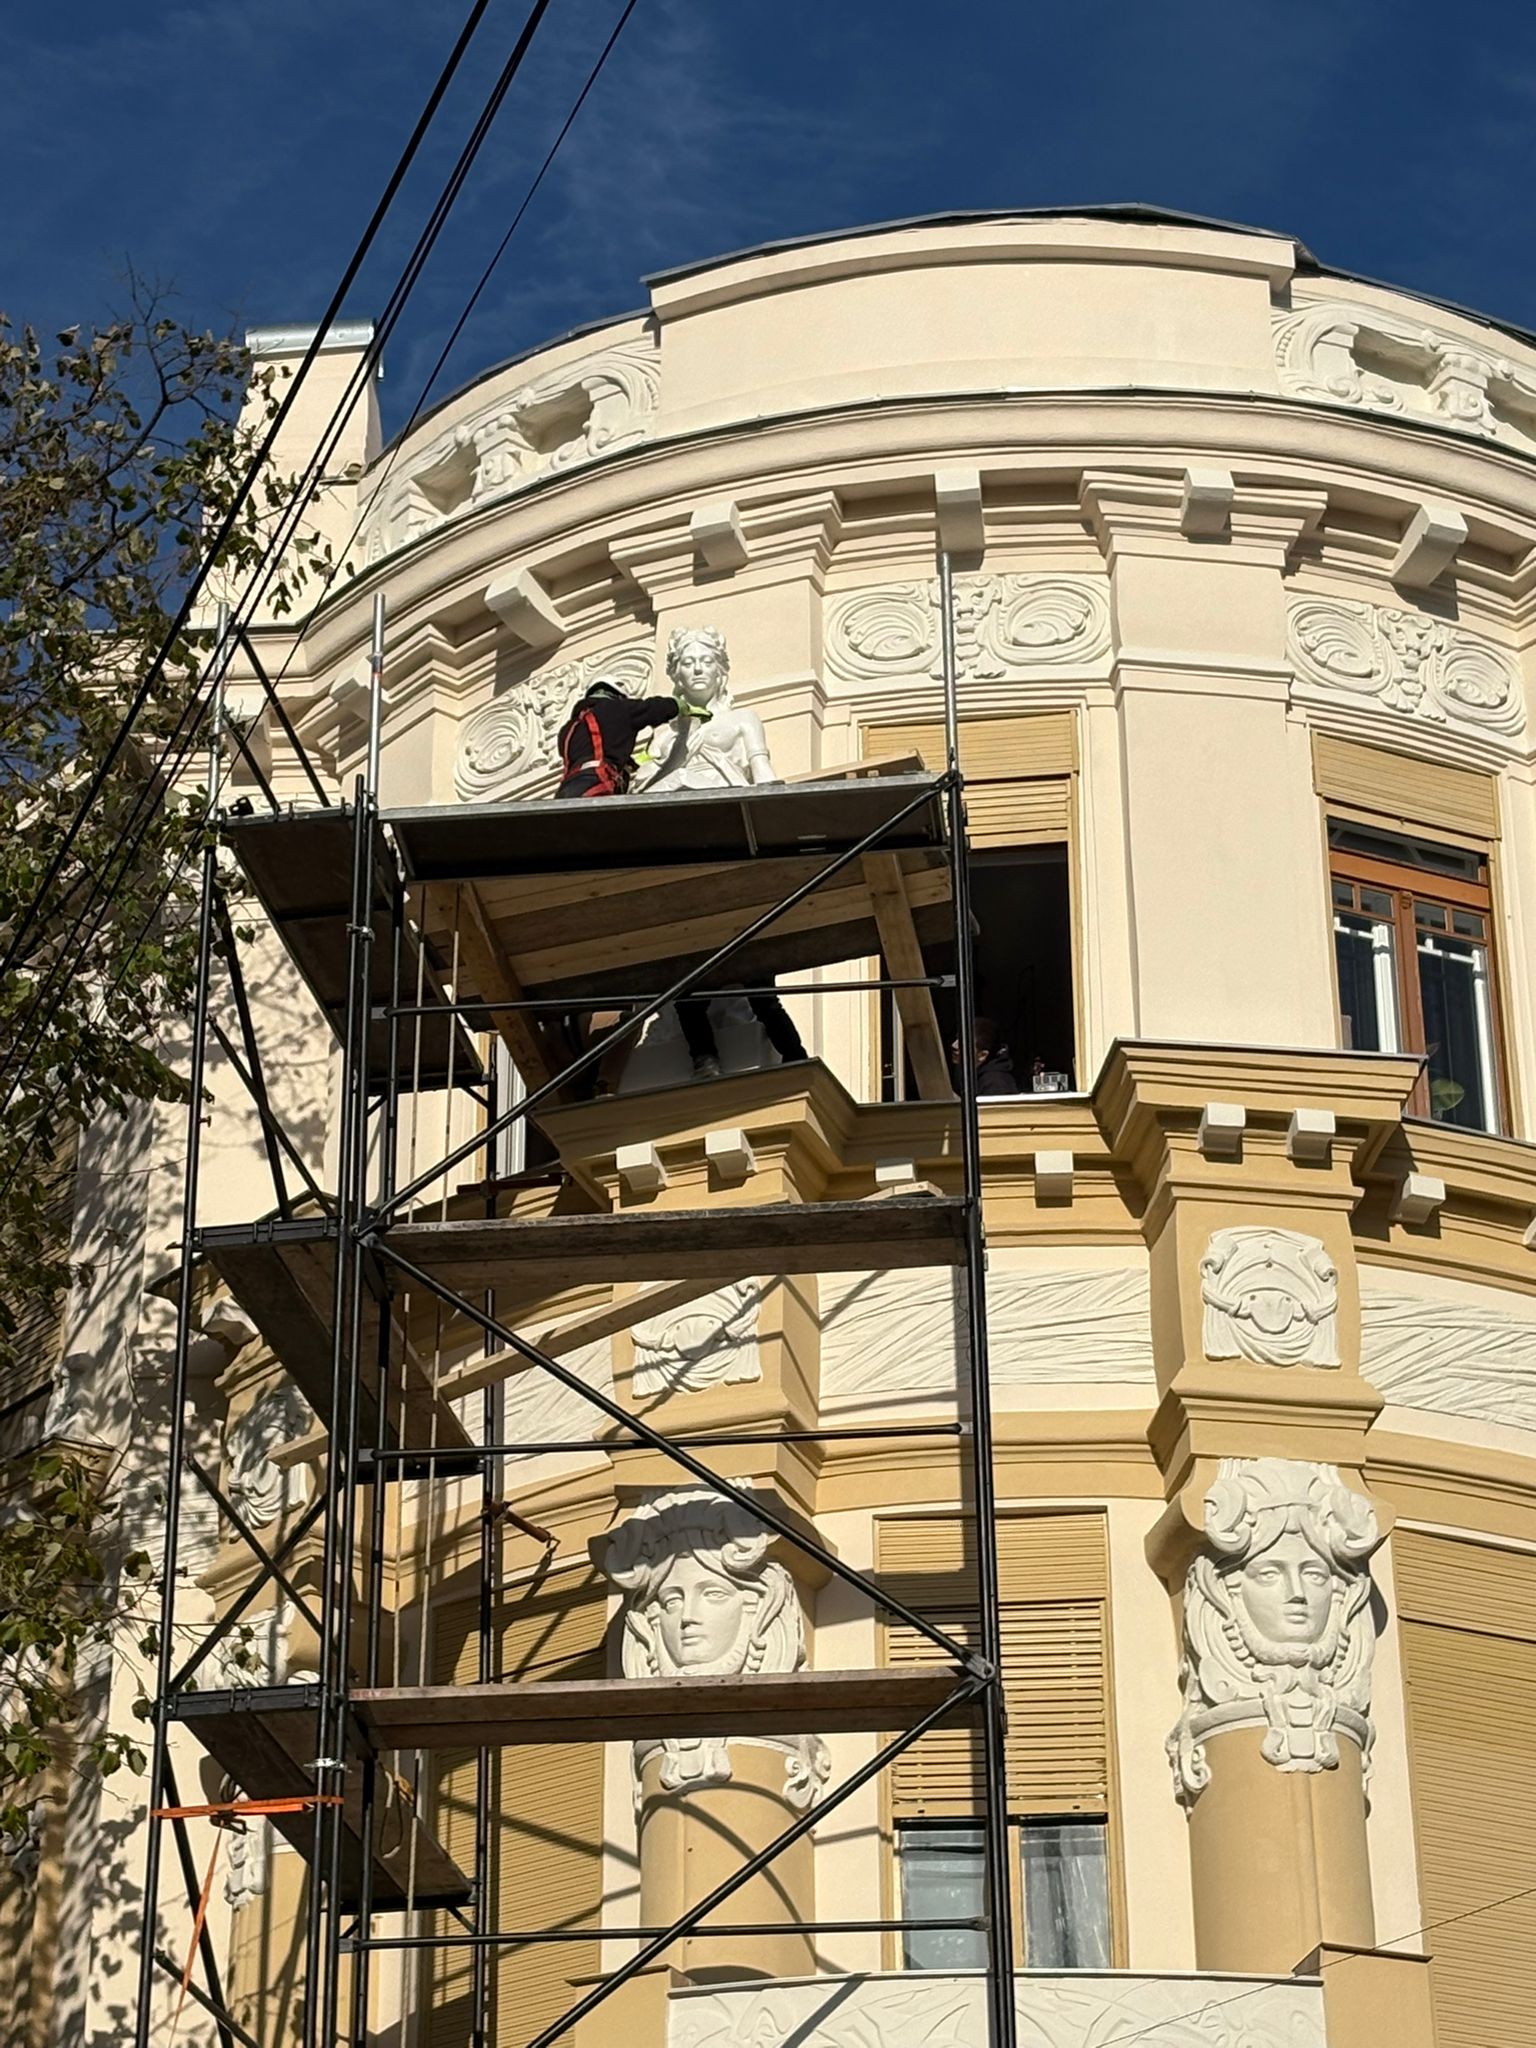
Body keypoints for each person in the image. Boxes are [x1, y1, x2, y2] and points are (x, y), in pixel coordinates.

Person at [554, 678, 682, 798]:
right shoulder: (616, 709)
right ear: (617, 695)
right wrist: (679, 705)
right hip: (595, 783)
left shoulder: (568, 729)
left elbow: (601, 749)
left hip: (567, 790)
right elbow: (655, 708)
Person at [950, 1016, 1017, 1095]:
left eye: (964, 1043)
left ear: (982, 1055)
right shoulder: (963, 1070)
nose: (954, 1045)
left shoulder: (995, 1085)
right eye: (957, 1038)